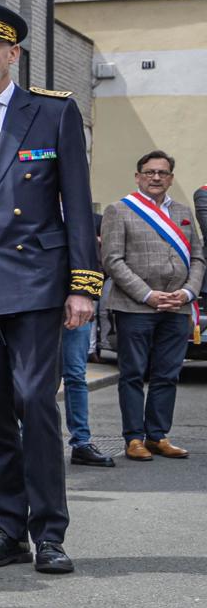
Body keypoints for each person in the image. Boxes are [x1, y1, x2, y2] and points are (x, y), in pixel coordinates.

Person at [0, 1, 100, 576]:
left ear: (13, 54)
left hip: (35, 280)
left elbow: (77, 205)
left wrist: (83, 284)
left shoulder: (50, 112)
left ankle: (50, 532)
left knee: (35, 403)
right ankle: (8, 526)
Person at [100, 150, 203, 461]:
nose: (156, 177)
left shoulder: (183, 211)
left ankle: (158, 435)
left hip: (177, 307)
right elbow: (112, 260)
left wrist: (187, 293)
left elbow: (198, 257)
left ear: (171, 178)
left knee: (168, 374)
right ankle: (134, 438)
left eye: (162, 173)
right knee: (132, 374)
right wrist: (147, 294)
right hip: (136, 307)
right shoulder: (119, 210)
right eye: (149, 172)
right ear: (138, 177)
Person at [64, 211, 114, 468]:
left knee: (75, 376)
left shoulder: (89, 218)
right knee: (32, 379)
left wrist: (87, 296)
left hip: (77, 306)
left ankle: (81, 442)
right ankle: (28, 439)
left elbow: (97, 261)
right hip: (36, 305)